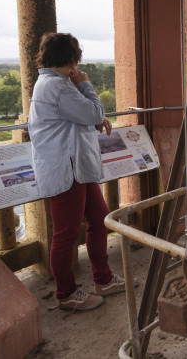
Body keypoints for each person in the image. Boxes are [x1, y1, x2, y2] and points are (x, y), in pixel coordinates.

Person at [28, 32, 124, 312]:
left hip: (76, 169)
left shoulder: (52, 83)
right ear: (72, 58)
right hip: (66, 171)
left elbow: (78, 119)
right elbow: (93, 113)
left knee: (98, 219)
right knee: (66, 234)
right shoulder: (58, 86)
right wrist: (86, 85)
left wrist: (93, 116)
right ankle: (66, 294)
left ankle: (103, 279)